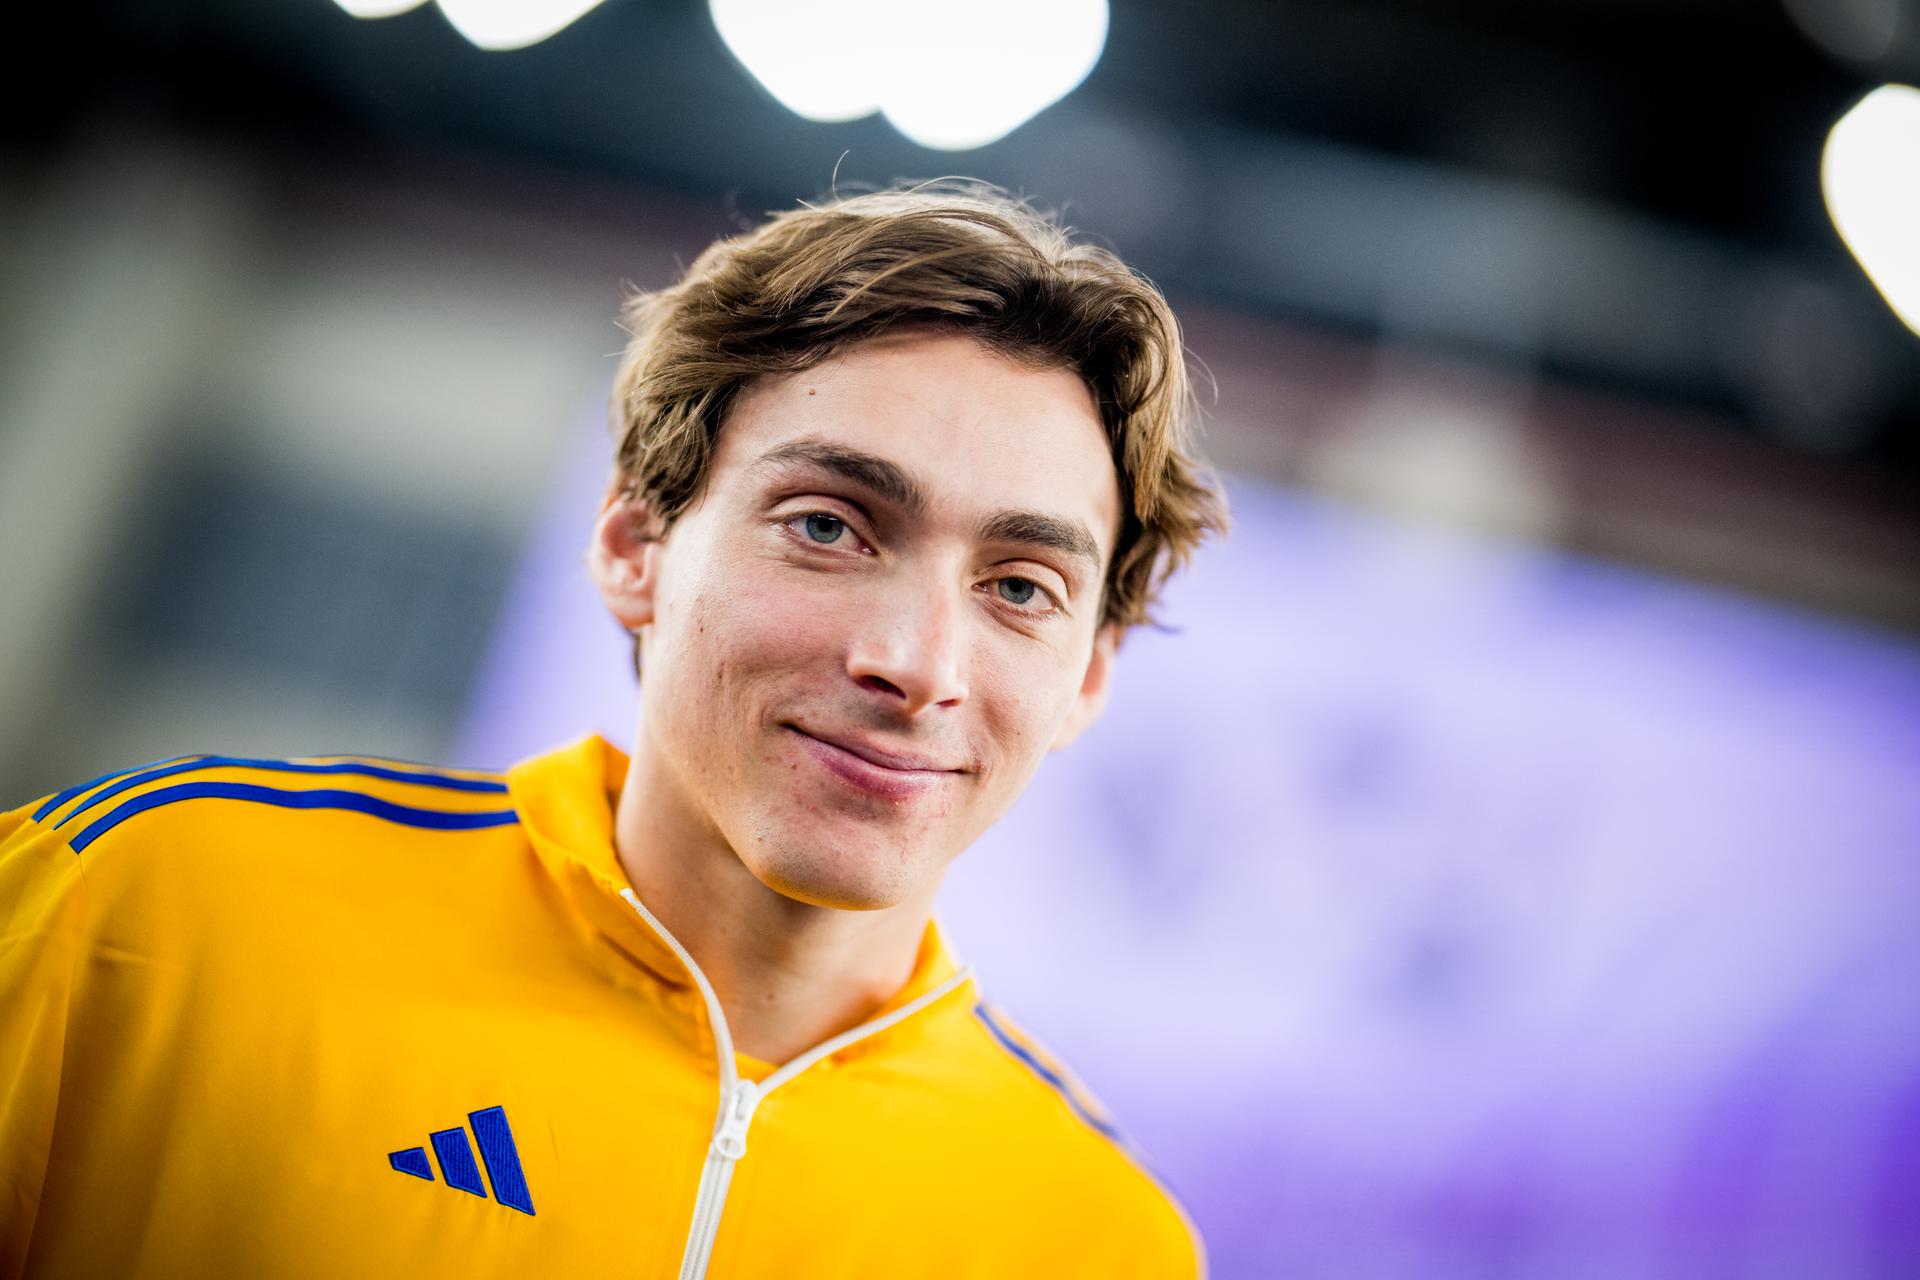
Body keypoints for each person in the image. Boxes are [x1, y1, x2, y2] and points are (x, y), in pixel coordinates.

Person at [0, 181, 1228, 1278]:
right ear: (635, 545)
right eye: (827, 525)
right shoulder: (143, 906)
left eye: (1021, 587)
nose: (914, 665)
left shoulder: (1096, 1240)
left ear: (1084, 679)